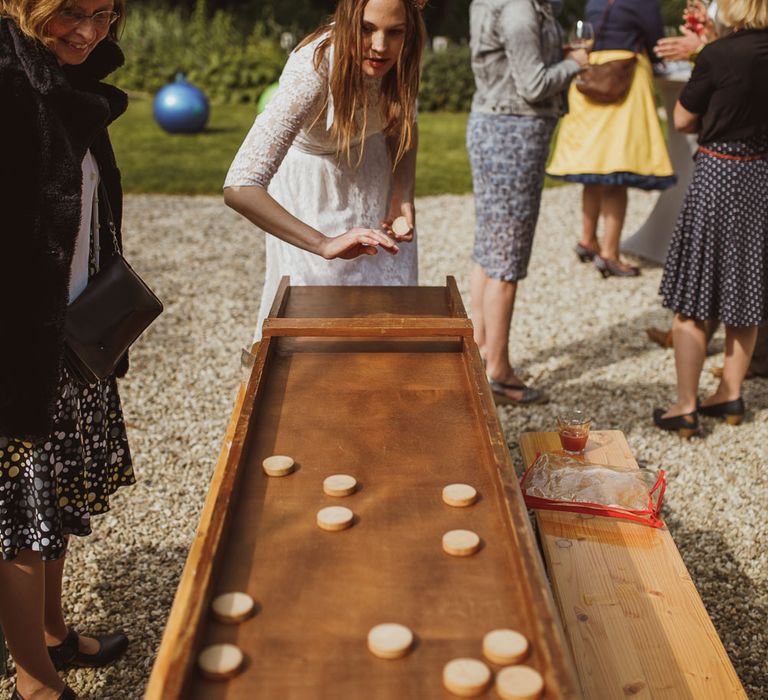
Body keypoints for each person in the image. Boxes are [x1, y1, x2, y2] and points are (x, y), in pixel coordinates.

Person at [0, 0, 136, 697]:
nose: (90, 31)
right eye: (72, 13)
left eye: (106, 13)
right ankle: (35, 680)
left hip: (73, 329)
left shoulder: (62, 80)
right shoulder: (7, 83)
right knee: (23, 520)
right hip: (17, 353)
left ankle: (52, 633)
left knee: (55, 498)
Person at [224, 0, 426, 339]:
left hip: (373, 174)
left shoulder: (405, 54)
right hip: (313, 192)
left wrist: (402, 195)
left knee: (389, 301)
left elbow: (404, 124)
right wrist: (322, 243)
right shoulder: (313, 68)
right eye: (366, 29)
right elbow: (240, 186)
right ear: (346, 18)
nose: (380, 46)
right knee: (322, 315)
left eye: (395, 32)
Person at [653, 0, 768, 436]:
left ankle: (685, 406)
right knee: (745, 292)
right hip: (761, 174)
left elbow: (683, 118)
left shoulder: (717, 55)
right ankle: (730, 395)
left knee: (692, 300)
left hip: (719, 172)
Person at [467, 0, 588, 405]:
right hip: (514, 135)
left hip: (493, 126)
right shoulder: (520, 10)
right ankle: (499, 372)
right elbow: (534, 84)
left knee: (489, 248)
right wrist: (576, 62)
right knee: (507, 257)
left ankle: (481, 351)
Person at [547, 0, 676, 277]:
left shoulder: (596, 0)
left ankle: (587, 239)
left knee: (593, 170)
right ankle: (610, 253)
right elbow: (657, 43)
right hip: (623, 81)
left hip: (590, 78)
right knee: (617, 171)